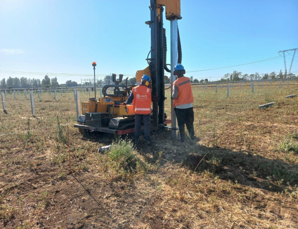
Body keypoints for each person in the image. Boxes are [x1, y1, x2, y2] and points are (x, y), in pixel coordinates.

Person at [124, 75, 152, 145]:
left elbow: (129, 99)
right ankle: (147, 140)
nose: (148, 83)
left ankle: (136, 139)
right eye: (148, 82)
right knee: (146, 126)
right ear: (145, 81)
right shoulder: (149, 90)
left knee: (137, 125)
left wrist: (125, 103)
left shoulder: (134, 89)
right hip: (146, 112)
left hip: (138, 111)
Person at [171, 64, 195, 142]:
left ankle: (182, 139)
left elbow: (174, 96)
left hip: (180, 107)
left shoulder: (176, 83)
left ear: (175, 73)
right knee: (189, 123)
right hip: (189, 105)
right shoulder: (188, 80)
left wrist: (172, 96)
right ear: (183, 71)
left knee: (181, 124)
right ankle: (192, 137)